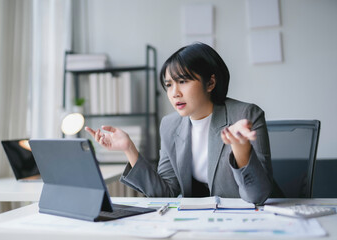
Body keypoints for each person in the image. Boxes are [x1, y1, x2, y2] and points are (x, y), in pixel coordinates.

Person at [85, 42, 273, 204]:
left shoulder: (246, 115)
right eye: (168, 85)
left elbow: (257, 197)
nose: (174, 93)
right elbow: (164, 193)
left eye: (182, 81)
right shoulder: (169, 125)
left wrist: (241, 150)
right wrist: (129, 148)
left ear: (210, 83)